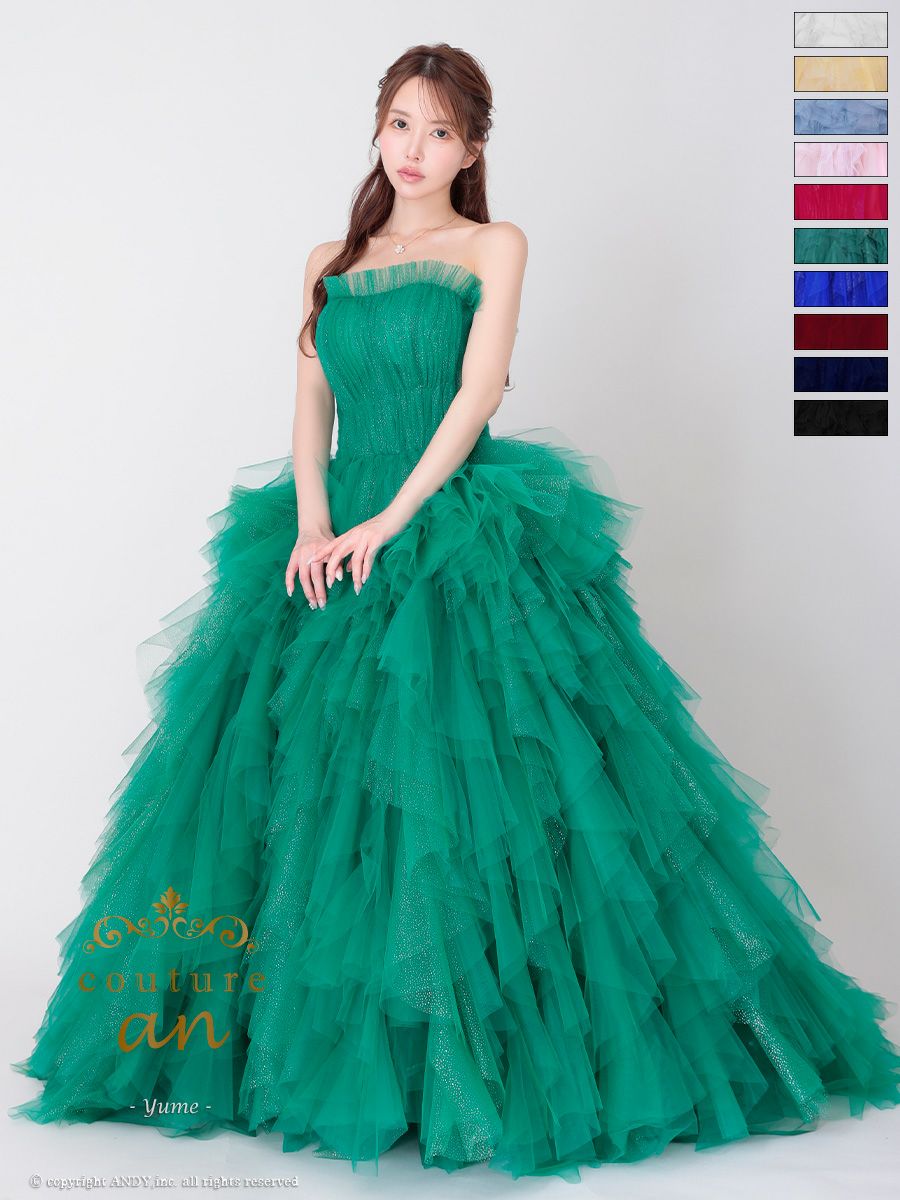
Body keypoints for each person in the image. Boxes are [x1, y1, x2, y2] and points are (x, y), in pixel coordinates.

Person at [10, 41, 900, 1182]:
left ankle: (482, 1067)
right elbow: (310, 407)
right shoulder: (328, 261)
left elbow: (479, 394)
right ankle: (316, 1062)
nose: (415, 149)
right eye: (400, 123)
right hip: (333, 537)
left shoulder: (494, 245)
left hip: (450, 532)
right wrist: (316, 525)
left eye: (440, 131)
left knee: (467, 805)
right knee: (300, 807)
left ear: (473, 148)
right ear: (376, 128)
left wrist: (392, 521)